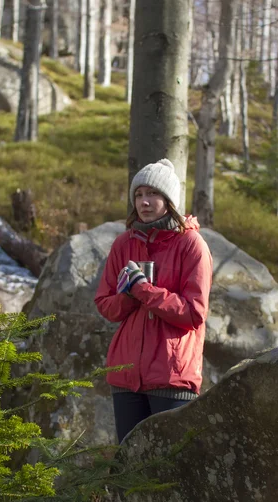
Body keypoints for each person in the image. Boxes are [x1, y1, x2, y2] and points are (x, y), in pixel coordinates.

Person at [94, 159, 213, 443]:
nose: (144, 202)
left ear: (169, 200)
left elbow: (194, 313)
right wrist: (129, 295)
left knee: (168, 470)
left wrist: (144, 290)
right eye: (138, 195)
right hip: (125, 376)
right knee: (129, 468)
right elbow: (104, 304)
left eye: (152, 194)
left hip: (172, 376)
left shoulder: (191, 245)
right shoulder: (124, 244)